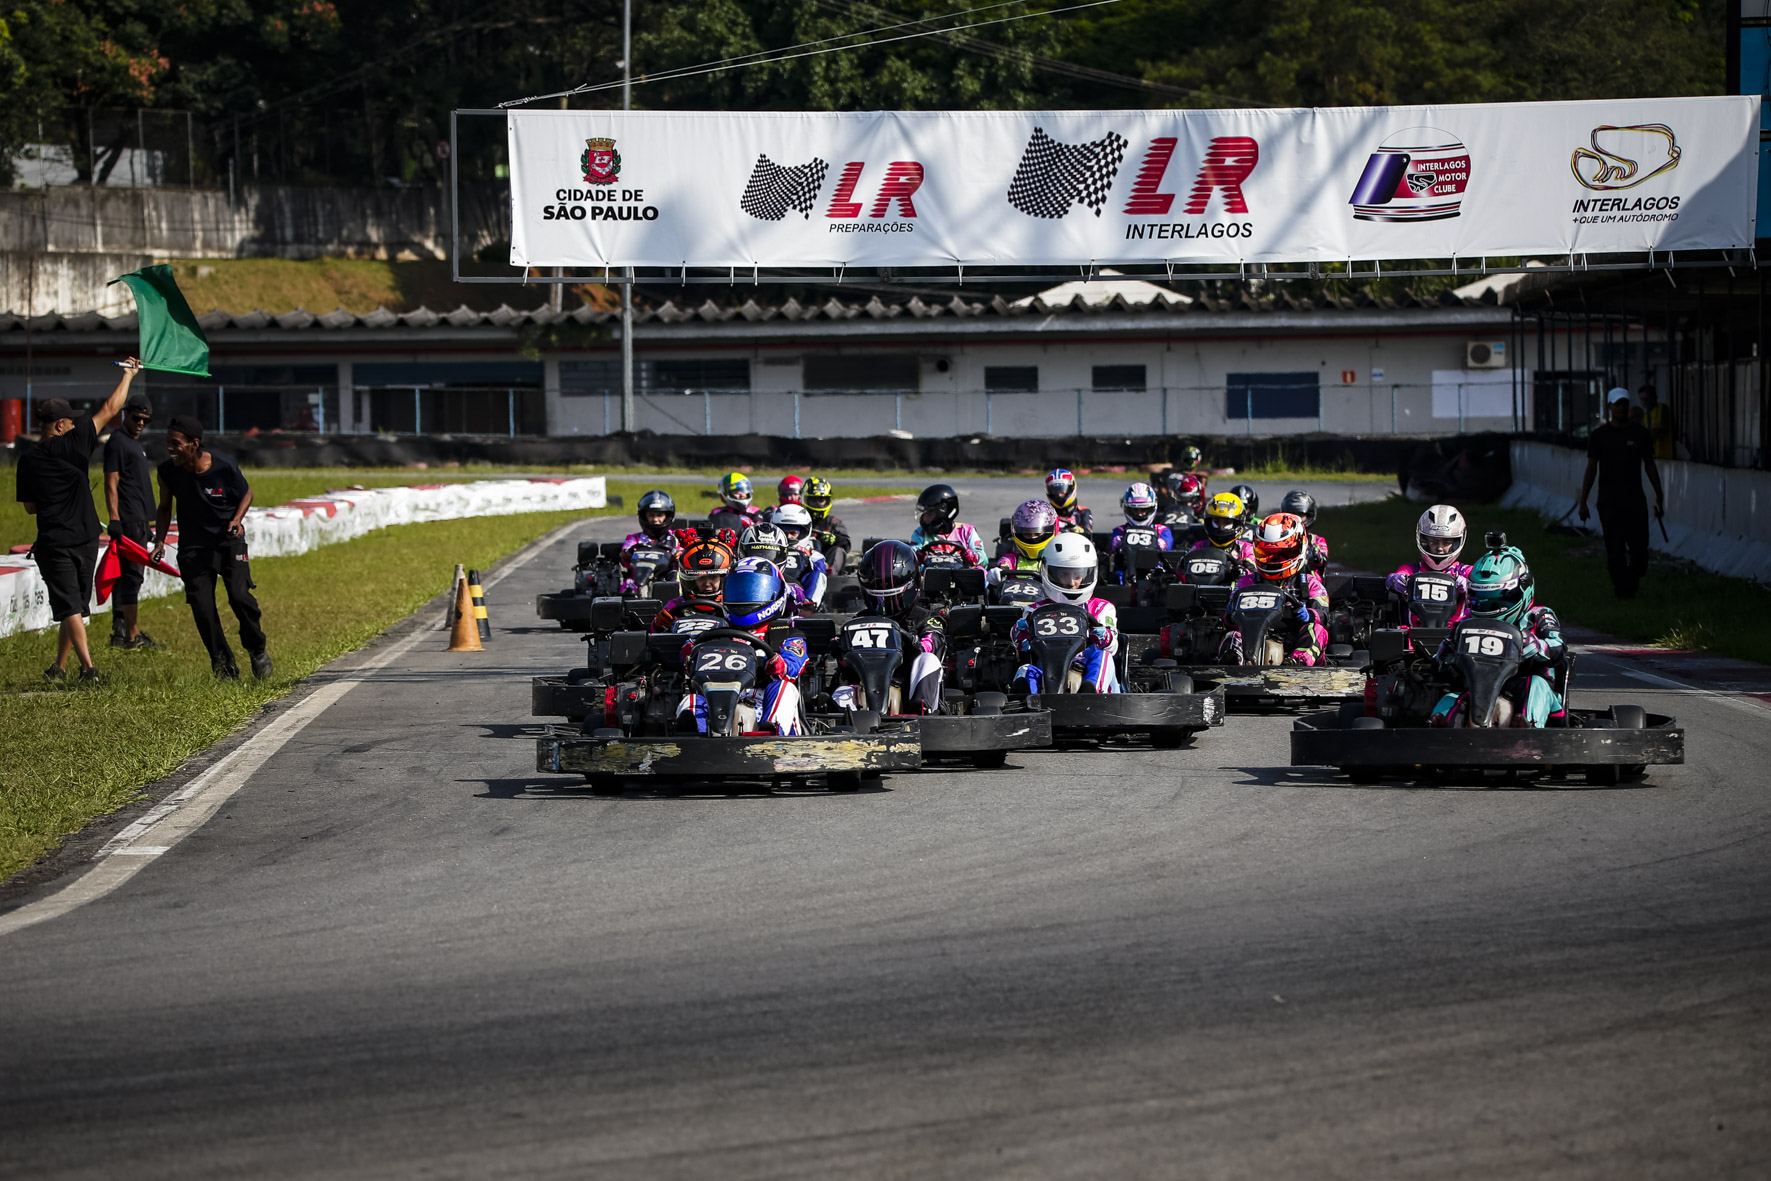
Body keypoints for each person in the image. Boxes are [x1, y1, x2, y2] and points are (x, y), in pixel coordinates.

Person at [15, 359, 143, 683]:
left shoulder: (27, 460)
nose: (74, 425)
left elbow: (30, 508)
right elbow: (113, 407)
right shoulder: (76, 443)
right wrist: (128, 374)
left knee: (70, 607)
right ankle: (83, 668)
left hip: (55, 542)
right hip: (86, 539)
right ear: (59, 425)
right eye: (69, 421)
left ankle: (70, 669)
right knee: (73, 606)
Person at [151, 415, 272, 680]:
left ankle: (257, 648)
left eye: (176, 443)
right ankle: (224, 667)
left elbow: (247, 493)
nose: (170, 448)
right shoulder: (167, 472)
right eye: (167, 443)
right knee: (203, 609)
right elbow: (164, 508)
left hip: (229, 542)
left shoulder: (223, 466)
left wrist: (236, 520)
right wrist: (160, 541)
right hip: (193, 548)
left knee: (239, 597)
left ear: (194, 444)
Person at [1430, 543, 1566, 728]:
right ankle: (1440, 730)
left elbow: (1558, 647)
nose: (1487, 606)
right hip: (1475, 688)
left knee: (1537, 685)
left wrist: (1535, 645)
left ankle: (1528, 730)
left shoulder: (1538, 615)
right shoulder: (1467, 623)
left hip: (1523, 687)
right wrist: (1446, 654)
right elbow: (1440, 658)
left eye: (1496, 600)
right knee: (1451, 696)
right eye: (1481, 598)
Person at [674, 557, 809, 735]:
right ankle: (693, 740)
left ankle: (772, 735)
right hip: (717, 699)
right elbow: (690, 661)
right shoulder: (717, 629)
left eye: (754, 590)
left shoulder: (783, 632)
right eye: (739, 590)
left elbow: (793, 665)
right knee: (691, 700)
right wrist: (689, 654)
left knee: (785, 689)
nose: (746, 596)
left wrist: (779, 665)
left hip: (764, 701)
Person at [831, 540, 948, 715]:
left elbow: (934, 639)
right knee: (842, 693)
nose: (887, 606)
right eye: (880, 600)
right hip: (866, 687)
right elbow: (844, 667)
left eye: (895, 598)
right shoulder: (861, 620)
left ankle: (924, 715)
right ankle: (846, 726)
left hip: (908, 684)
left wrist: (916, 644)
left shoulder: (927, 618)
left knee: (928, 660)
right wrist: (839, 649)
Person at [1578, 387, 1664, 599]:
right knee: (1615, 550)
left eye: (1624, 403)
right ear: (1609, 406)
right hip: (1609, 502)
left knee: (1639, 550)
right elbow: (1591, 469)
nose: (1621, 408)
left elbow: (1650, 465)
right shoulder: (1599, 436)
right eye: (1617, 404)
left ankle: (1633, 581)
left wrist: (1659, 494)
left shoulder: (1640, 434)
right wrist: (1583, 501)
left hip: (1635, 501)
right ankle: (1622, 590)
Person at [1010, 533, 1120, 693]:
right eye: (1064, 574)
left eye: (1078, 575)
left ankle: (1090, 696)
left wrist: (1105, 636)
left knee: (1103, 657)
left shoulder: (1102, 608)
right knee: (1026, 669)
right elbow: (1022, 647)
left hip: (1092, 674)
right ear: (1050, 573)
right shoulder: (1035, 610)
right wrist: (1020, 633)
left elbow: (1113, 647)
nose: (1071, 583)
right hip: (1050, 674)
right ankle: (1029, 705)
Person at [1220, 513, 1329, 666]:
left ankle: (1297, 664)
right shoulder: (1247, 582)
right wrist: (1232, 614)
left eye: (1282, 554)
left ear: (1300, 547)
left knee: (1316, 630)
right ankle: (1235, 665)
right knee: (1232, 635)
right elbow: (1229, 622)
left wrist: (1308, 615)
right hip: (1253, 639)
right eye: (1268, 554)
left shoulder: (1308, 583)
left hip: (1292, 640)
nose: (1275, 560)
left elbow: (1323, 615)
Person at [103, 389, 164, 650]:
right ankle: (130, 634)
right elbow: (111, 482)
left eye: (145, 421)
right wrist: (115, 518)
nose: (140, 424)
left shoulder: (135, 444)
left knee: (131, 576)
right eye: (137, 418)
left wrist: (147, 525)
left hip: (139, 521)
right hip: (127, 520)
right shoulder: (117, 441)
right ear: (125, 414)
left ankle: (123, 630)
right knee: (131, 576)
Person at [1385, 504, 1473, 624]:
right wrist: (1395, 580)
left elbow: (1482, 586)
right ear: (1424, 540)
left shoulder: (1465, 571)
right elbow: (1394, 577)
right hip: (1412, 636)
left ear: (1456, 542)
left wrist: (1470, 586)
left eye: (1446, 542)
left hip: (1455, 636)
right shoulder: (1412, 570)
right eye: (1433, 542)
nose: (1439, 548)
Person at [651, 537, 733, 633]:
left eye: (713, 577)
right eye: (700, 578)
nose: (707, 584)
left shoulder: (732, 607)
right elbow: (655, 637)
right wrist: (658, 624)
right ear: (690, 579)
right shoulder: (675, 606)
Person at [988, 498, 1058, 597]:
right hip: (1013, 606)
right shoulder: (1011, 560)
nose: (1032, 537)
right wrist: (997, 573)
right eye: (1027, 534)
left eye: (1037, 533)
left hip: (1045, 607)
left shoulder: (1056, 561)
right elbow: (1003, 564)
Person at [764, 506, 830, 608]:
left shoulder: (812, 553)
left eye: (793, 533)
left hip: (797, 591)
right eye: (784, 533)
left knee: (818, 573)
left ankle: (809, 604)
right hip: (769, 586)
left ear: (804, 532)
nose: (789, 537)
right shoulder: (766, 549)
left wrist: (806, 556)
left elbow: (820, 566)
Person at [619, 490, 682, 593]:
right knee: (628, 585)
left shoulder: (674, 538)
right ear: (644, 516)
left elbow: (683, 554)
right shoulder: (634, 539)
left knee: (675, 579)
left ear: (667, 516)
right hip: (638, 578)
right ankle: (630, 603)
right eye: (651, 515)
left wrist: (678, 554)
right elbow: (625, 553)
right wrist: (627, 553)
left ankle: (674, 605)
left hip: (665, 578)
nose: (655, 519)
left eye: (659, 515)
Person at [1109, 481, 1173, 583]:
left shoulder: (1162, 530)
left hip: (1155, 572)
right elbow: (1110, 550)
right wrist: (1116, 543)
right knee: (1116, 577)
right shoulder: (1119, 531)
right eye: (1135, 510)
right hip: (1125, 571)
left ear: (1152, 508)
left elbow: (1168, 547)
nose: (1139, 514)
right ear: (1128, 509)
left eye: (1143, 510)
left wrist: (1162, 544)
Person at [910, 483, 988, 565]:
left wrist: (972, 556)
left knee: (981, 571)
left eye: (929, 512)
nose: (925, 518)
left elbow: (984, 560)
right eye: (924, 513)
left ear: (943, 511)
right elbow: (912, 554)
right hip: (930, 575)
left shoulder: (967, 532)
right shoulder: (920, 534)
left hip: (963, 575)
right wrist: (918, 556)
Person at [1189, 491, 1256, 566]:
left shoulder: (1246, 549)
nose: (1221, 527)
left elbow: (1252, 572)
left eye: (1227, 522)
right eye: (1217, 521)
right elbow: (1182, 571)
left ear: (1237, 523)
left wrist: (1241, 570)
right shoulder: (1198, 548)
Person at [801, 476, 851, 572]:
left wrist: (835, 539)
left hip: (825, 559)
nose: (818, 505)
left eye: (821, 500)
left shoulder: (833, 522)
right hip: (802, 557)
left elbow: (846, 544)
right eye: (814, 500)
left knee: (838, 550)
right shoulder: (799, 519)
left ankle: (828, 573)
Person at [1278, 490, 1329, 574]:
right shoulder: (1277, 538)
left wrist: (1315, 553)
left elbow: (1322, 562)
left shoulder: (1317, 541)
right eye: (1292, 514)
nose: (1296, 518)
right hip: (1282, 577)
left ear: (1309, 516)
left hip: (1308, 580)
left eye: (1301, 515)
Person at [1044, 468, 1094, 533]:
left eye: (1062, 490)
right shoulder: (1045, 514)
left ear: (1071, 488)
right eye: (1055, 490)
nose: (1059, 495)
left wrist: (1076, 530)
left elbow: (1088, 535)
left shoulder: (1083, 512)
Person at [1641, 383, 1673, 460]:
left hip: (1665, 455)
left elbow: (1657, 430)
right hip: (1654, 456)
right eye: (1642, 399)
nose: (1644, 402)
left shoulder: (1662, 408)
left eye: (1646, 398)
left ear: (1654, 397)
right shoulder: (1645, 416)